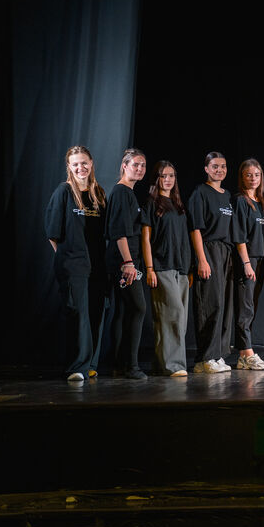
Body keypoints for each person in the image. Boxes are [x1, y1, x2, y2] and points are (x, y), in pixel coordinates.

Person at [45, 146, 107, 381]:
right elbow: (52, 233)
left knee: (95, 313)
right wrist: (67, 258)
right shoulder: (64, 191)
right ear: (69, 167)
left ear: (91, 163)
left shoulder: (98, 193)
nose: (81, 167)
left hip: (97, 264)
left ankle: (90, 364)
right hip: (73, 265)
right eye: (75, 164)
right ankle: (76, 367)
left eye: (84, 163)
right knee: (78, 314)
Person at [142, 161, 192, 377]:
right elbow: (145, 238)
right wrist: (149, 268)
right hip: (162, 265)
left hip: (181, 267)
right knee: (173, 314)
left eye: (171, 175)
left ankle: (160, 364)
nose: (168, 180)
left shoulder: (178, 204)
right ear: (157, 179)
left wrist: (189, 268)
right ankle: (175, 365)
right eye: (163, 176)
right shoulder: (151, 203)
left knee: (177, 319)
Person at [188, 152, 235, 373]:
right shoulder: (200, 192)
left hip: (225, 252)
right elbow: (195, 229)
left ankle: (218, 355)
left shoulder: (227, 195)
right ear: (206, 169)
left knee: (223, 306)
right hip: (209, 250)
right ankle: (204, 358)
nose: (219, 170)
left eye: (223, 166)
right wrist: (202, 259)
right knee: (210, 304)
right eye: (215, 166)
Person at [105, 148, 148, 379]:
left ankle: (118, 365)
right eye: (135, 165)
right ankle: (131, 366)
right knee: (138, 308)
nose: (139, 169)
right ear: (124, 166)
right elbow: (119, 232)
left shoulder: (128, 193)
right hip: (124, 262)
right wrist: (128, 263)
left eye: (142, 165)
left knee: (122, 311)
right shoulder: (121, 192)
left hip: (129, 261)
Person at [231, 159, 264, 371]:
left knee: (251, 307)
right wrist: (246, 263)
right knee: (245, 308)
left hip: (261, 260)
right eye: (248, 175)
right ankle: (246, 354)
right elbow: (239, 236)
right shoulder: (240, 201)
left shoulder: (261, 202)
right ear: (242, 177)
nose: (253, 178)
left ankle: (243, 354)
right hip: (248, 259)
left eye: (257, 174)